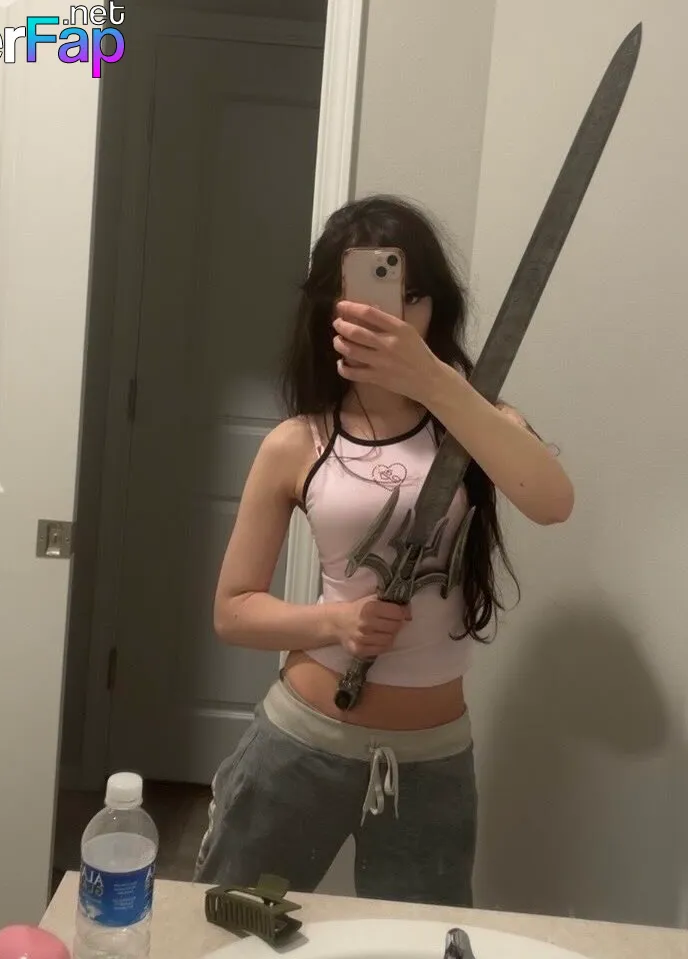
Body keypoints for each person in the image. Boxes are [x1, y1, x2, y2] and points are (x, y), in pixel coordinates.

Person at [193, 195, 574, 907]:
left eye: (412, 296)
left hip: (432, 763)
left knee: (418, 945)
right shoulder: (297, 442)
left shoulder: (481, 423)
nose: (393, 317)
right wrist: (335, 622)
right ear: (329, 309)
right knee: (238, 928)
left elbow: (553, 502)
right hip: (299, 746)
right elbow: (233, 611)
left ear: (436, 306)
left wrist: (433, 380)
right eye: (368, 297)